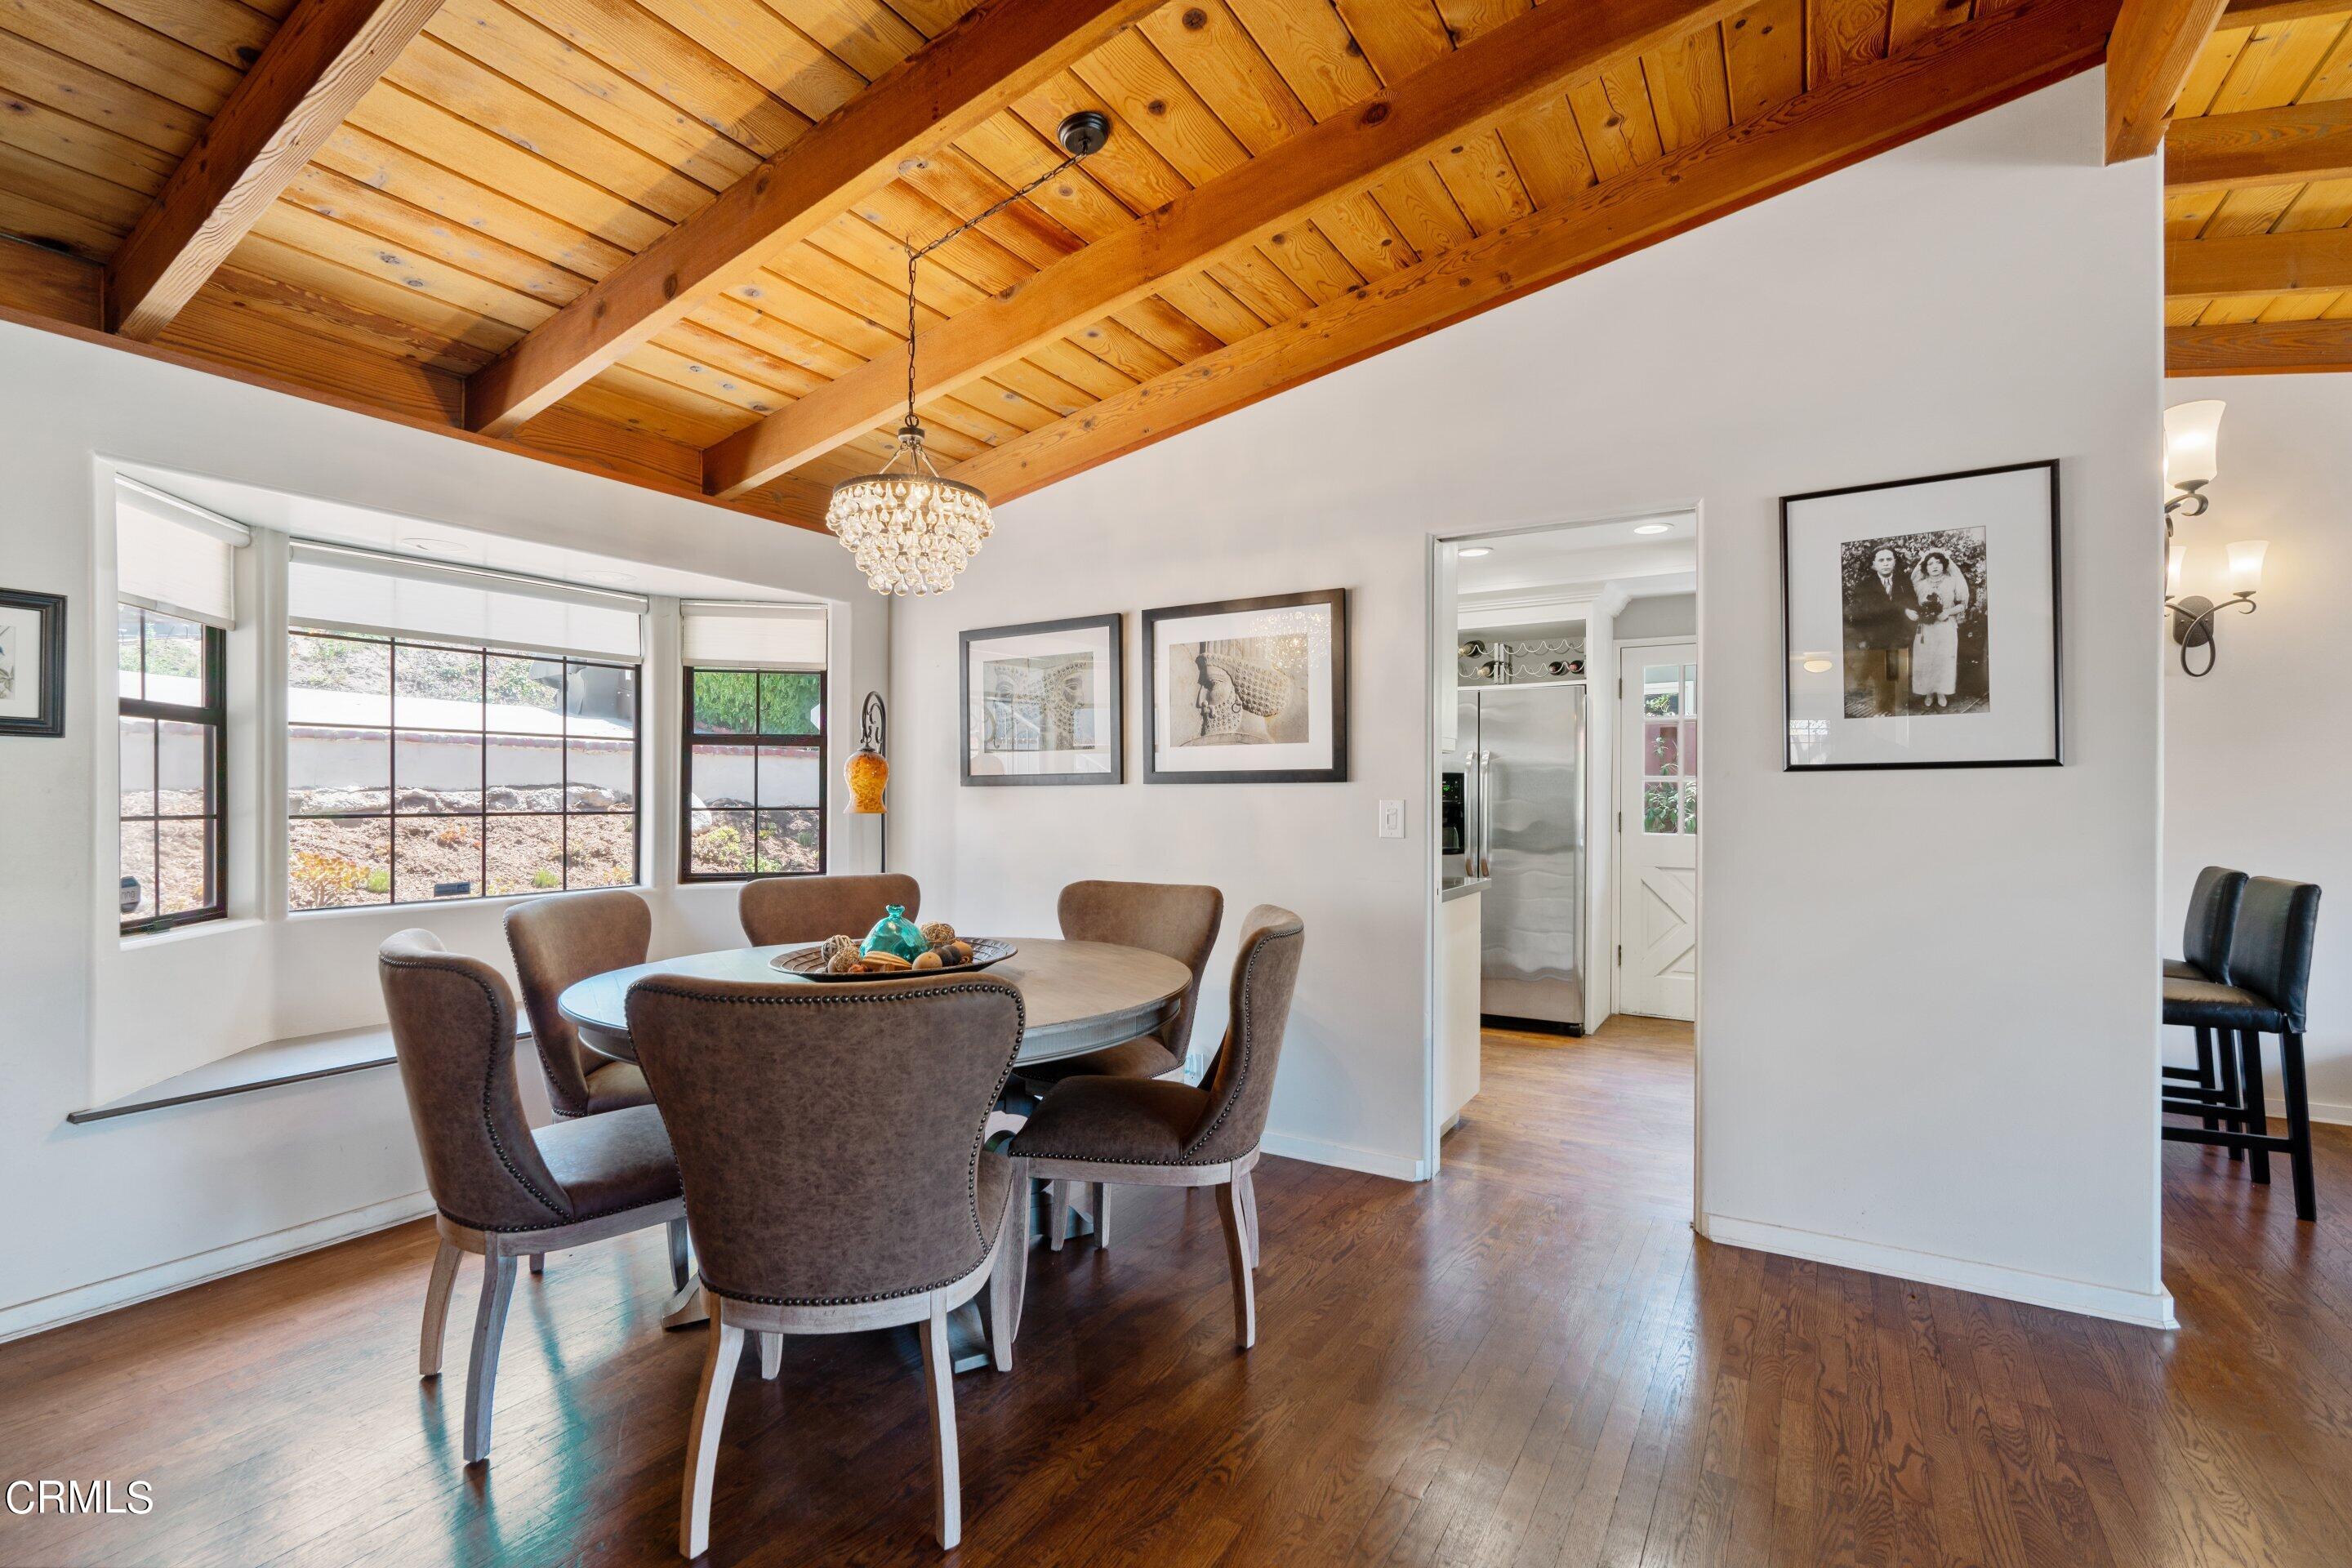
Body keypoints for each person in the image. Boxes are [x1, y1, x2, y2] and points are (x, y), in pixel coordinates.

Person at [1846, 545, 1917, 716]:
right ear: (1874, 564)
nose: (1885, 563)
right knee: (1881, 673)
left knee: (1894, 670)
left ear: (1894, 562)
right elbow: (1864, 613)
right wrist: (1863, 638)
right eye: (1881, 560)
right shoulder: (1865, 586)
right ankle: (1884, 708)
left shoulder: (1903, 582)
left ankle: (1896, 704)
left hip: (1899, 635)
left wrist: (1908, 615)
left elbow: (1912, 602)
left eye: (1889, 559)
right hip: (1876, 637)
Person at [1909, 550, 1969, 710]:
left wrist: (1948, 612)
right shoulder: (1919, 585)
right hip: (1925, 628)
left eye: (1938, 562)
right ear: (1925, 567)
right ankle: (1928, 692)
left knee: (1943, 659)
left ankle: (1942, 692)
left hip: (1946, 626)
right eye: (1930, 563)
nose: (1934, 566)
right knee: (1925, 659)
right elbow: (1912, 605)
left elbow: (1962, 605)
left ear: (1944, 565)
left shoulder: (1953, 581)